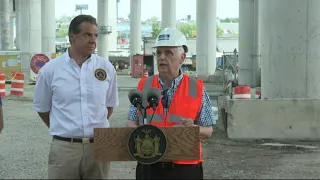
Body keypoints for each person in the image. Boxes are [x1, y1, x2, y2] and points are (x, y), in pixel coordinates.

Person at [33, 14, 119, 179]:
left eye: (95, 35)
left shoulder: (106, 67)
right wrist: (66, 128)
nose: (93, 40)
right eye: (87, 35)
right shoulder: (50, 70)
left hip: (99, 147)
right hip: (65, 149)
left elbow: (109, 106)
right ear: (72, 37)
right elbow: (43, 108)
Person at [126, 28, 216, 180]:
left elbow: (208, 131)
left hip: (185, 168)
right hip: (149, 165)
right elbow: (130, 123)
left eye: (168, 53)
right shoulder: (144, 85)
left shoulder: (196, 87)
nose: (162, 57)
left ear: (182, 58)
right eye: (159, 53)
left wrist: (192, 129)